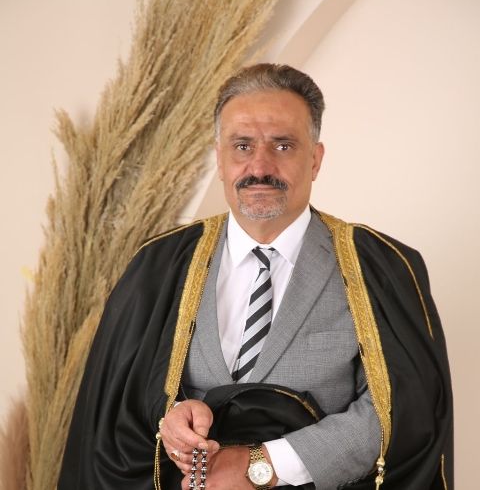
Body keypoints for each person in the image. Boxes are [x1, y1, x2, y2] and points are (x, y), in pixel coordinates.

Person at [58, 64, 453, 490]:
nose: (260, 166)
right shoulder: (158, 264)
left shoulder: (381, 267)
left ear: (315, 159)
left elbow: (399, 412)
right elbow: (114, 409)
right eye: (242, 146)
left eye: (283, 145)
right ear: (219, 159)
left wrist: (261, 465)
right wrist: (171, 421)